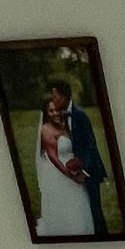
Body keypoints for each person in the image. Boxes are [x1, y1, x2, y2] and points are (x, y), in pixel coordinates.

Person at [47, 78, 110, 234]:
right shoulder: (60, 116)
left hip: (90, 170)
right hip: (75, 170)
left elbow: (90, 146)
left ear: (63, 96)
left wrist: (85, 171)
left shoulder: (80, 114)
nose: (53, 98)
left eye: (55, 95)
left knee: (95, 209)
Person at [34, 89, 94, 236]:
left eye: (57, 110)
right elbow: (53, 157)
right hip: (57, 174)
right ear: (46, 113)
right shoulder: (46, 130)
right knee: (63, 206)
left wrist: (78, 165)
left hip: (72, 168)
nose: (55, 113)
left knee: (77, 204)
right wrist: (72, 176)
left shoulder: (65, 125)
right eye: (51, 111)